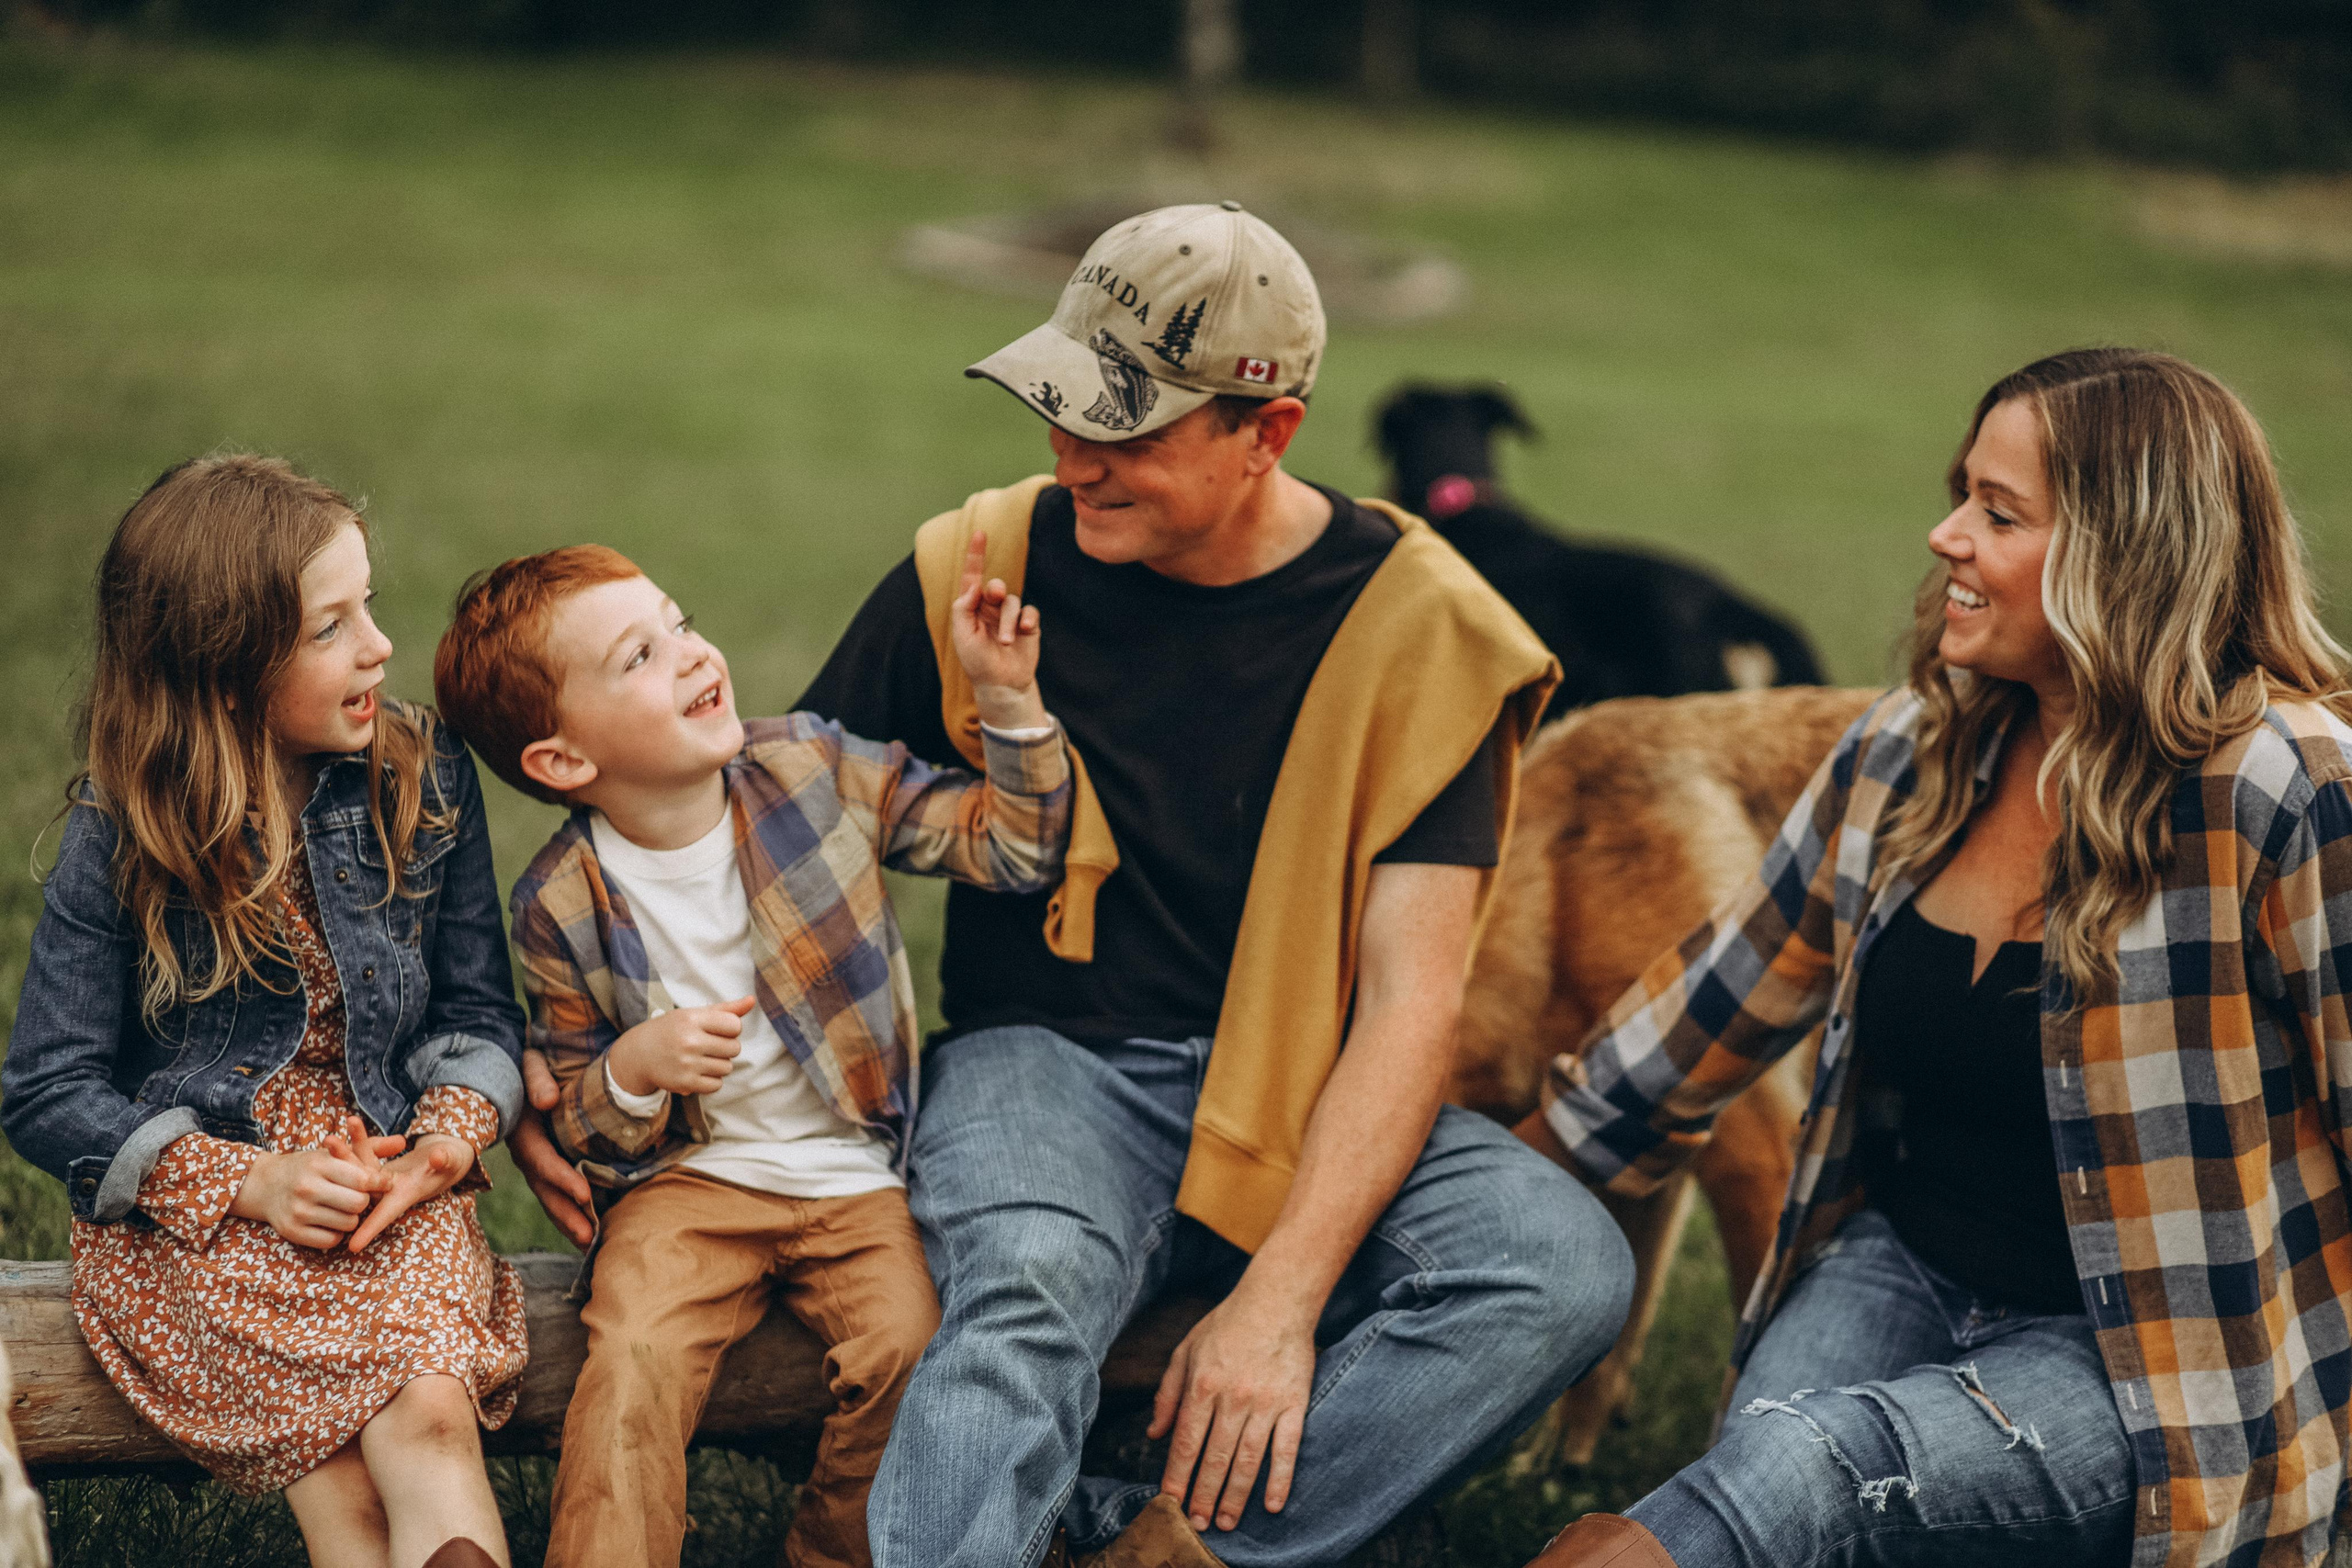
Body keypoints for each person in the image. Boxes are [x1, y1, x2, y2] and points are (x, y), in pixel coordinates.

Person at [501, 199, 1634, 1568]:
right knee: (1029, 1279)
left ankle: (1155, 1545)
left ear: (1267, 432)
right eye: (1061, 411)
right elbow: (753, 824)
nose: (1072, 460)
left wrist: (1279, 1302)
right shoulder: (976, 563)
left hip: (1306, 1092)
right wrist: (566, 1072)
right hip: (1047, 1068)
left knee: (1560, 1263)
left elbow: (1411, 1003)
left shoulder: (1429, 632)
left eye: (1127, 431)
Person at [1521, 347, 2352, 1568]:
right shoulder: (1907, 751)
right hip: (1904, 1265)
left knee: (1802, 1476)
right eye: (1962, 492)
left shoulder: (2285, 789)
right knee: (1757, 1479)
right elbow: (1694, 1026)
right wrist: (1463, 1213)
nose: (1944, 534)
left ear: (2128, 555)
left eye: (1998, 514)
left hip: (2157, 1366)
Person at [432, 536, 1071, 1568]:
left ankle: (832, 1552)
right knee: (634, 1355)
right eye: (640, 656)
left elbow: (1013, 844)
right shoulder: (558, 899)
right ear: (564, 761)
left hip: (854, 1178)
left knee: (910, 1350)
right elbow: (580, 1115)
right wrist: (634, 1069)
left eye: (678, 623)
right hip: (684, 1188)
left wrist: (1006, 698)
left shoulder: (812, 770)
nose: (691, 652)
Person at [2, 456, 530, 1568]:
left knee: (431, 1417)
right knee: (341, 1489)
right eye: (332, 628)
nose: (380, 646)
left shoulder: (423, 771)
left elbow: (479, 1009)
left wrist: (444, 1141)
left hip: (382, 1175)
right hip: (204, 1212)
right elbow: (47, 1090)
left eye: (367, 605)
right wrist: (249, 1183)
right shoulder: (126, 828)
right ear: (228, 670)